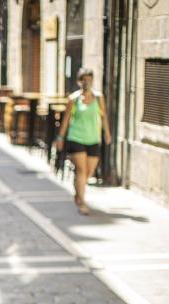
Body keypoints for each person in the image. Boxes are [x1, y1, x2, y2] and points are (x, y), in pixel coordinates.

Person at [55, 67, 112, 215]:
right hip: (76, 138)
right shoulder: (73, 99)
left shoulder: (99, 97)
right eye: (83, 80)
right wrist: (60, 137)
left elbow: (103, 116)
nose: (86, 82)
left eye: (89, 79)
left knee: (89, 172)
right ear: (78, 81)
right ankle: (82, 202)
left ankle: (78, 193)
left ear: (92, 80)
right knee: (81, 171)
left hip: (93, 139)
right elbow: (66, 120)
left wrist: (107, 133)